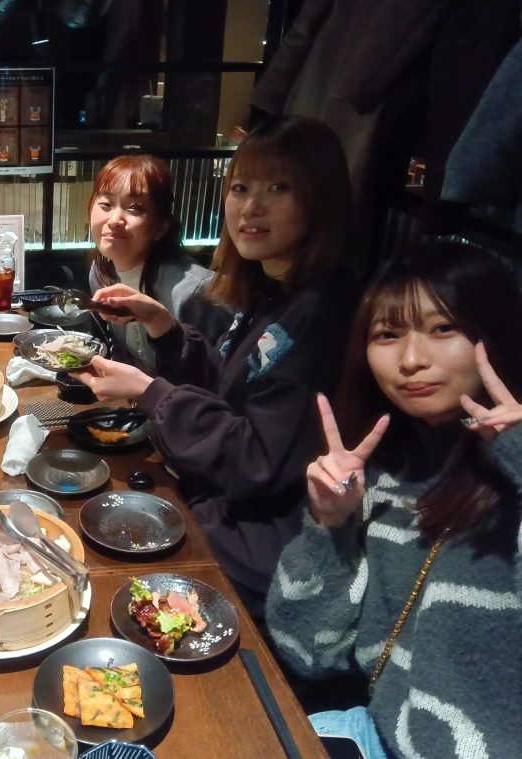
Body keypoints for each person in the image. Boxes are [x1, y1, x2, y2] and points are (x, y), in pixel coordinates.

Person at [79, 117, 358, 615]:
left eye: (278, 188)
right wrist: (166, 329)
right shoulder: (273, 292)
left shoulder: (322, 313)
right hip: (218, 505)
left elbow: (256, 459)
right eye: (241, 188)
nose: (251, 207)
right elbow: (228, 390)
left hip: (258, 551)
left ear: (321, 199)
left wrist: (150, 392)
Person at [266, 241, 522, 758]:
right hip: (373, 733)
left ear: (495, 331)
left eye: (443, 328)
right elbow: (308, 653)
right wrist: (330, 528)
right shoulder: (385, 475)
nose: (410, 360)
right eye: (387, 334)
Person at [86, 154, 231, 371]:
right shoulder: (101, 273)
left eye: (135, 207)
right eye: (106, 204)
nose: (114, 220)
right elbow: (122, 351)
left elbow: (221, 374)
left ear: (161, 226)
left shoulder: (195, 291)